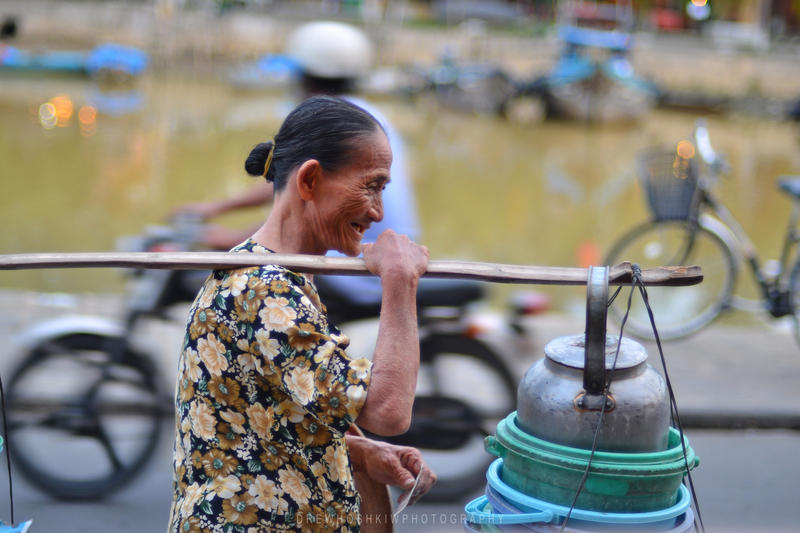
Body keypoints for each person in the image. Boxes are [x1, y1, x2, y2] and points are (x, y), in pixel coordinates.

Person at [168, 95, 436, 533]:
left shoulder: (273, 272)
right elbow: (388, 412)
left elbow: (268, 420)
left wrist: (360, 451)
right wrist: (400, 280)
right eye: (370, 185)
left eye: (383, 190)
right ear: (310, 180)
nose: (377, 212)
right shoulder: (267, 292)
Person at [172, 20, 418, 306]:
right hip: (359, 257)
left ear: (303, 76)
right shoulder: (369, 119)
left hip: (350, 271)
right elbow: (299, 196)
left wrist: (224, 223)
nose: (378, 210)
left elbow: (297, 196)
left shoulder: (336, 125)